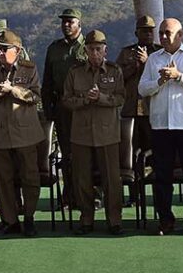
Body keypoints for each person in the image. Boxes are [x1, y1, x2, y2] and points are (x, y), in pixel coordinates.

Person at [138, 18, 183, 235]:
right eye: (161, 33)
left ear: (180, 35)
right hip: (161, 127)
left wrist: (179, 77)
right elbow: (142, 89)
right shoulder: (153, 59)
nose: (163, 37)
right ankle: (165, 220)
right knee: (162, 176)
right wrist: (159, 82)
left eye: (167, 33)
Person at [0, 30, 44, 237]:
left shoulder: (29, 69)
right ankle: (9, 220)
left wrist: (13, 90)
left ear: (16, 50)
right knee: (3, 180)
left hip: (26, 134)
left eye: (4, 49)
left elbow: (35, 96)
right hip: (0, 134)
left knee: (30, 177)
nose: (0, 52)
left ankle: (29, 218)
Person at [63, 30, 125, 235]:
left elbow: (120, 99)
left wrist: (101, 98)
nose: (95, 53)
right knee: (83, 179)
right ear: (86, 50)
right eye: (91, 49)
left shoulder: (115, 71)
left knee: (112, 180)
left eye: (99, 49)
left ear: (105, 50)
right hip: (81, 134)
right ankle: (86, 220)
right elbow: (67, 100)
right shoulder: (75, 72)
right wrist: (85, 100)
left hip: (108, 134)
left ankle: (114, 220)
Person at [42, 8, 87, 207]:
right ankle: (68, 195)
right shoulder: (54, 48)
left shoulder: (89, 46)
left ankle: (91, 194)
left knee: (86, 152)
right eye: (64, 22)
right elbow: (47, 82)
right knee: (67, 154)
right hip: (62, 107)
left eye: (71, 21)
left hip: (85, 107)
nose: (66, 25)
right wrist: (48, 111)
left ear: (79, 24)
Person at [116, 15, 161, 207]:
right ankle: (135, 195)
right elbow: (117, 78)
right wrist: (134, 66)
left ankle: (159, 193)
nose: (147, 34)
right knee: (132, 155)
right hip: (131, 112)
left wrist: (147, 62)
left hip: (153, 112)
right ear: (137, 33)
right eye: (144, 30)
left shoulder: (160, 53)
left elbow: (163, 77)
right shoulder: (126, 53)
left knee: (157, 154)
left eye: (150, 30)